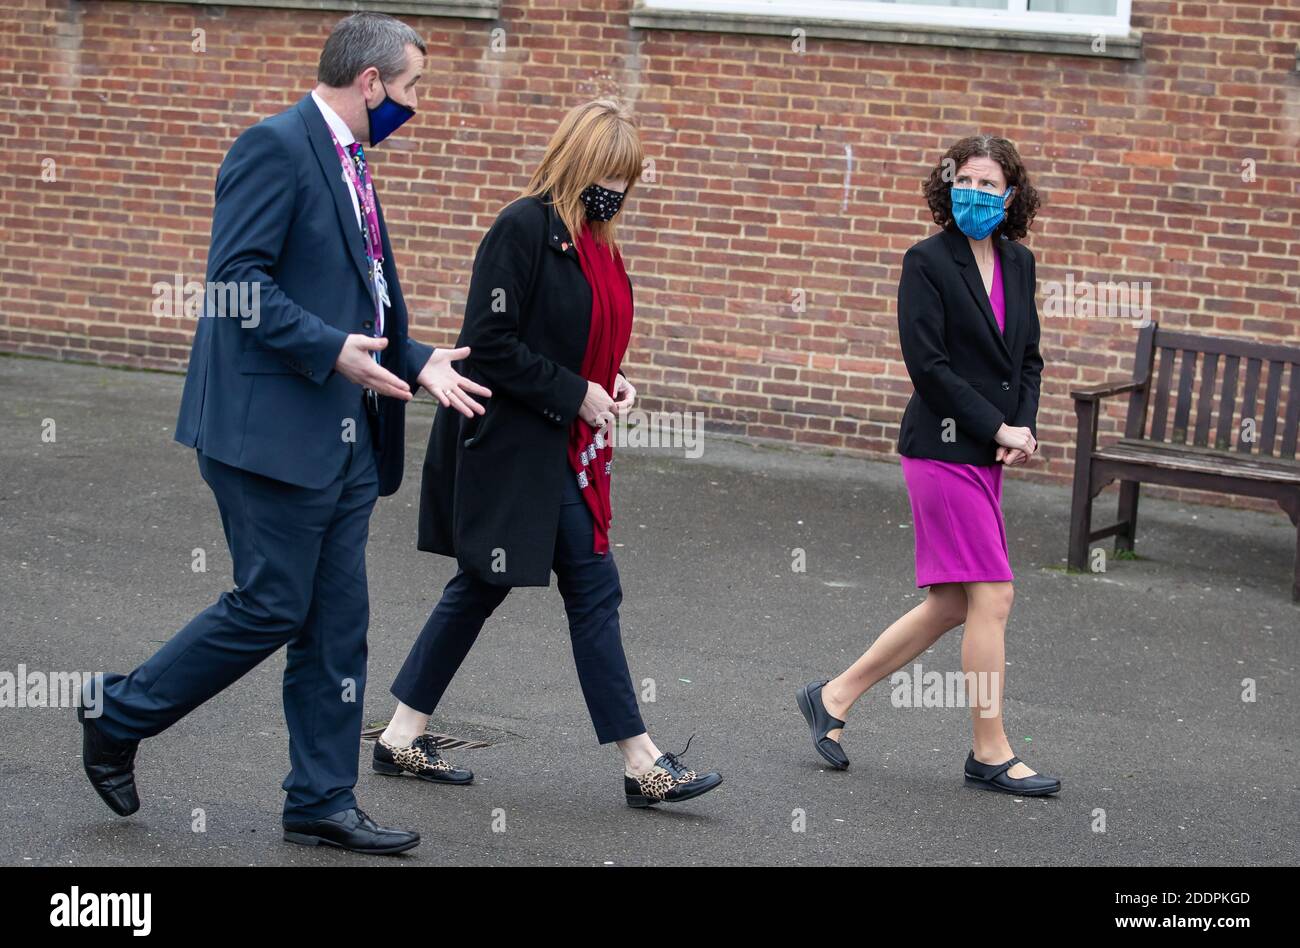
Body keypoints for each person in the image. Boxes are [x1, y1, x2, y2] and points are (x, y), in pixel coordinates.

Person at [75, 13, 490, 855]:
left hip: (342, 436)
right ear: (370, 82)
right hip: (265, 430)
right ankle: (118, 712)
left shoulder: (350, 160)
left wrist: (414, 359)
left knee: (337, 625)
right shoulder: (273, 146)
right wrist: (331, 350)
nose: (416, 105)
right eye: (411, 89)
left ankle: (321, 802)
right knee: (270, 605)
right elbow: (232, 285)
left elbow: (356, 298)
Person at [376, 99, 722, 809]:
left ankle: (400, 735)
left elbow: (587, 331)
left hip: (561, 445)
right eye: (609, 176)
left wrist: (611, 377)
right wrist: (577, 393)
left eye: (627, 180)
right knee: (585, 589)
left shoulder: (597, 238)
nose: (619, 192)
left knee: (491, 585)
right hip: (514, 445)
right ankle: (642, 761)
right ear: (578, 163)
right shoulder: (523, 227)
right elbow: (490, 344)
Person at [797, 135, 1060, 796]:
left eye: (989, 184)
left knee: (951, 602)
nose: (976, 192)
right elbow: (929, 367)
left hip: (989, 451)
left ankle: (832, 697)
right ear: (948, 188)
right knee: (993, 594)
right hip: (942, 452)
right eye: (965, 180)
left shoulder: (1020, 264)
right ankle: (989, 752)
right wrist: (993, 424)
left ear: (1011, 196)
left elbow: (1027, 358)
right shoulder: (926, 262)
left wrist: (1019, 426)